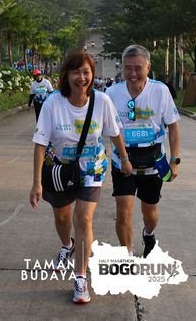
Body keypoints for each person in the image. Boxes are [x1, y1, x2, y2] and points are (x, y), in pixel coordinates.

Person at [29, 50, 129, 304]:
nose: (82, 78)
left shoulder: (102, 101)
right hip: (60, 168)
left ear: (92, 75)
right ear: (66, 75)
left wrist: (125, 158)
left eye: (86, 72)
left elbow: (114, 133)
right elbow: (40, 143)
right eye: (76, 72)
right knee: (62, 218)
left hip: (92, 168)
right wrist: (36, 182)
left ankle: (81, 277)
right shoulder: (52, 103)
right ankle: (67, 244)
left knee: (83, 219)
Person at [106, 44, 181, 257]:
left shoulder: (160, 91)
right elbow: (108, 128)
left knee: (150, 213)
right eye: (128, 68)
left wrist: (174, 161)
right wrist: (123, 158)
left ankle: (149, 234)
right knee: (123, 212)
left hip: (154, 161)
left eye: (138, 68)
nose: (132, 74)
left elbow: (173, 126)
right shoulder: (112, 93)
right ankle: (127, 255)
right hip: (123, 160)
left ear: (148, 67)